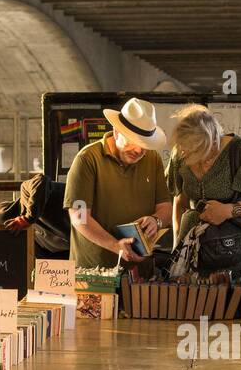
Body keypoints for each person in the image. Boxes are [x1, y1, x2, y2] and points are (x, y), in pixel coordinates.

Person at [166, 104, 241, 283]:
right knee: (192, 304)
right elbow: (180, 202)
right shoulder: (181, 152)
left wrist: (227, 210)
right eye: (184, 150)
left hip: (232, 247)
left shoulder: (240, 151)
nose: (187, 156)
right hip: (193, 250)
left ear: (211, 142)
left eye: (195, 152)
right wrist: (177, 249)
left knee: (231, 303)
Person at [63, 97, 172, 269]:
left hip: (139, 273)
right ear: (116, 132)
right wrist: (115, 245)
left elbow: (165, 207)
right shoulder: (87, 160)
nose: (139, 150)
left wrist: (156, 221)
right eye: (133, 142)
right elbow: (79, 216)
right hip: (95, 271)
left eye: (144, 145)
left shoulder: (153, 159)